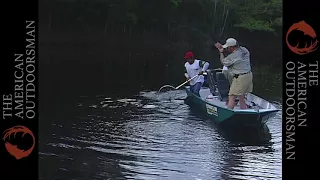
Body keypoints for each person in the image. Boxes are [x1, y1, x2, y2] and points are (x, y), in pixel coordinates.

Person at [214, 38, 253, 109]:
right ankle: (244, 110)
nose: (227, 49)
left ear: (232, 47)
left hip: (240, 78)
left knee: (231, 96)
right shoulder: (244, 50)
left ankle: (227, 112)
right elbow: (233, 53)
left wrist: (221, 52)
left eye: (228, 47)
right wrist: (223, 48)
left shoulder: (234, 56)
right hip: (248, 76)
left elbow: (224, 62)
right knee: (241, 96)